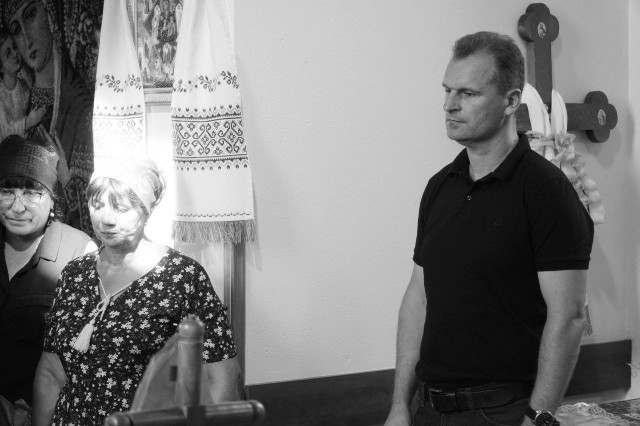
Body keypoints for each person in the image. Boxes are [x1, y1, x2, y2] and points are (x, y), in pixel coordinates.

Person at [384, 32, 594, 426]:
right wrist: (399, 405)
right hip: (428, 408)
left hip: (502, 412)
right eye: (447, 90)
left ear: (511, 101)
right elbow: (418, 297)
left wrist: (539, 417)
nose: (449, 105)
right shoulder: (440, 186)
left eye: (467, 93)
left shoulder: (546, 191)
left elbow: (568, 315)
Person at [32, 158, 242, 425]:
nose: (106, 219)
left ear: (146, 210)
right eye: (97, 205)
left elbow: (220, 378)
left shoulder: (182, 277)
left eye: (121, 208)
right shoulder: (75, 273)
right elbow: (52, 373)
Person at [0, 135, 96, 416]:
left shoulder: (78, 251)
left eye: (32, 193)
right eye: (6, 191)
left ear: (53, 199)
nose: (17, 207)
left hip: (44, 413)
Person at [4, 0, 95, 235]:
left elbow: (90, 219)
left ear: (51, 15)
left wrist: (65, 178)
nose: (26, 38)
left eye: (30, 15)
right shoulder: (22, 102)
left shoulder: (79, 105)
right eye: (16, 29)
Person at [0, 28, 46, 141]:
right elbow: (4, 133)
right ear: (0, 66)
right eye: (8, 53)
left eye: (14, 47)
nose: (15, 54)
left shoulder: (25, 85)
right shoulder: (1, 95)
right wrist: (28, 122)